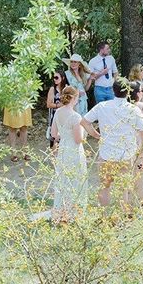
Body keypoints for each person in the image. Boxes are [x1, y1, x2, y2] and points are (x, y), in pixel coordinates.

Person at [80, 78, 143, 207]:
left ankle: (105, 216)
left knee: (105, 186)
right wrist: (140, 148)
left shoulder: (102, 106)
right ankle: (121, 216)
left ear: (112, 90)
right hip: (126, 153)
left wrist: (95, 134)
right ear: (128, 92)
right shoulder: (133, 109)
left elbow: (84, 122)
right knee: (123, 187)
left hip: (106, 153)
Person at [51, 86, 88, 222]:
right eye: (77, 97)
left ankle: (63, 210)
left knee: (64, 179)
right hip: (74, 150)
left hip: (63, 150)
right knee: (75, 178)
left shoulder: (58, 112)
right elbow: (78, 140)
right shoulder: (76, 117)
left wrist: (64, 135)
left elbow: (54, 134)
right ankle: (73, 212)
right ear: (73, 98)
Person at [46, 70, 68, 148]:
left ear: (63, 78)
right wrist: (60, 105)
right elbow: (48, 104)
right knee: (54, 138)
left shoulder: (67, 88)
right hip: (55, 116)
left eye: (56, 77)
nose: (54, 79)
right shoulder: (52, 89)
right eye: (53, 77)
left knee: (64, 137)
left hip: (65, 116)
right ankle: (54, 158)